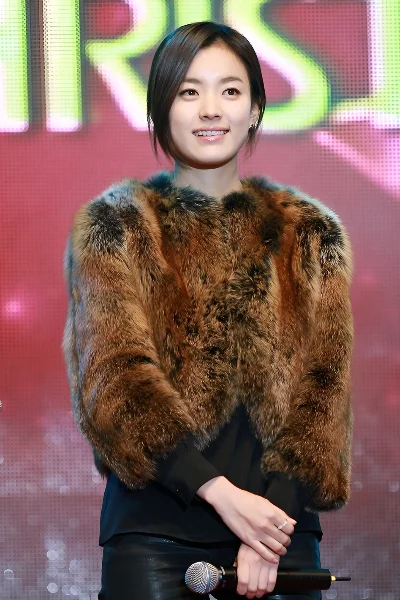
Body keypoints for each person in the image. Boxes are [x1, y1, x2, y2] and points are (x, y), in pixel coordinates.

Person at [62, 21, 354, 600]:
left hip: (279, 535)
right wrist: (222, 496)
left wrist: (266, 532)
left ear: (255, 109)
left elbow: (323, 392)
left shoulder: (310, 232)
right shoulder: (116, 224)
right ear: (159, 109)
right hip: (156, 537)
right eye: (189, 91)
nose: (211, 109)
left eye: (230, 90)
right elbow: (115, 381)